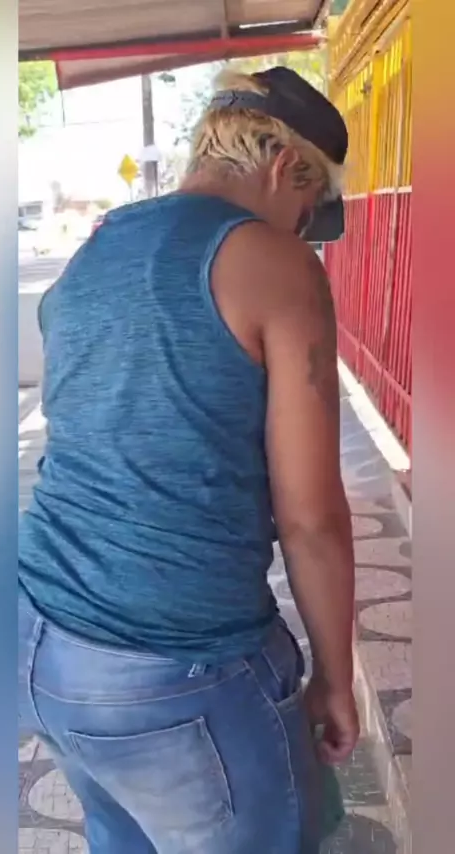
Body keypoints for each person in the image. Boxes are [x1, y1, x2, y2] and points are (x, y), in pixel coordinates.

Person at [18, 66, 358, 854]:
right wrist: (335, 679)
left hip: (39, 637)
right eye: (309, 209)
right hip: (171, 665)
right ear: (285, 168)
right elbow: (310, 518)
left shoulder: (95, 250)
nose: (304, 230)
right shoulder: (275, 262)